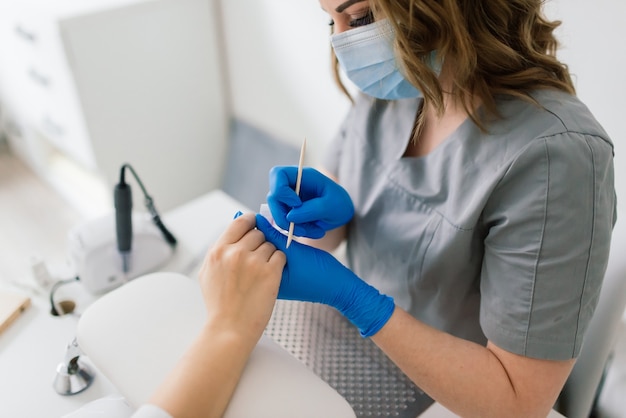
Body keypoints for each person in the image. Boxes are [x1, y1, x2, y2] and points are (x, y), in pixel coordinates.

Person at [259, 0, 616, 417]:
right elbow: (341, 191)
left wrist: (355, 299)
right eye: (330, 22)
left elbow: (517, 401)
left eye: (359, 18)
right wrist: (317, 217)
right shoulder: (401, 81)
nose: (343, 41)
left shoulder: (558, 156)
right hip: (355, 357)